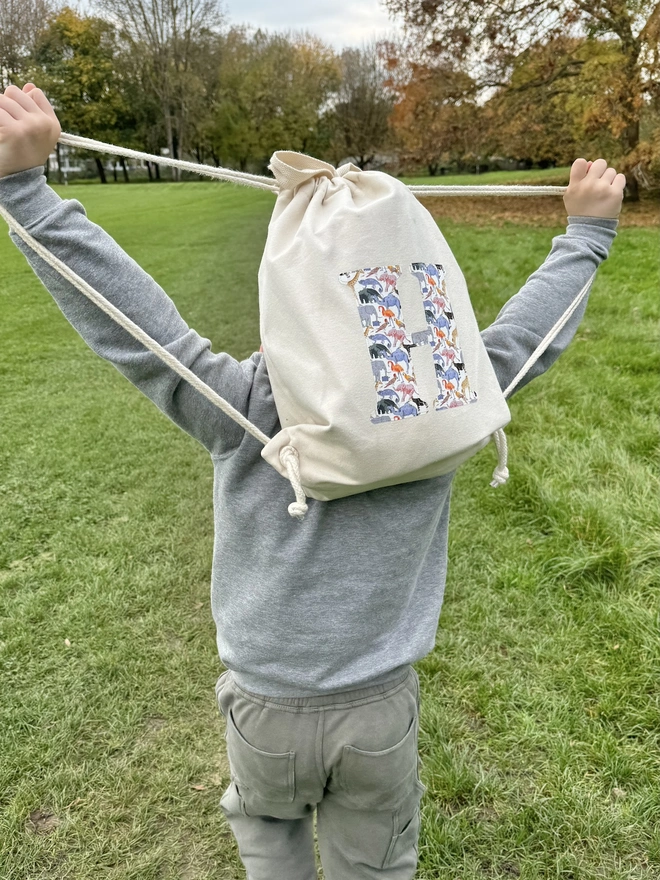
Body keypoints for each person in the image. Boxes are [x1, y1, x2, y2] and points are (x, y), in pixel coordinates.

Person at [0, 83, 625, 880]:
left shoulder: (252, 410)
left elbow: (137, 330)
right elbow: (525, 339)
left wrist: (25, 192)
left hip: (265, 709)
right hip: (379, 712)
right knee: (379, 864)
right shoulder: (445, 402)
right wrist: (587, 235)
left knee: (268, 839)